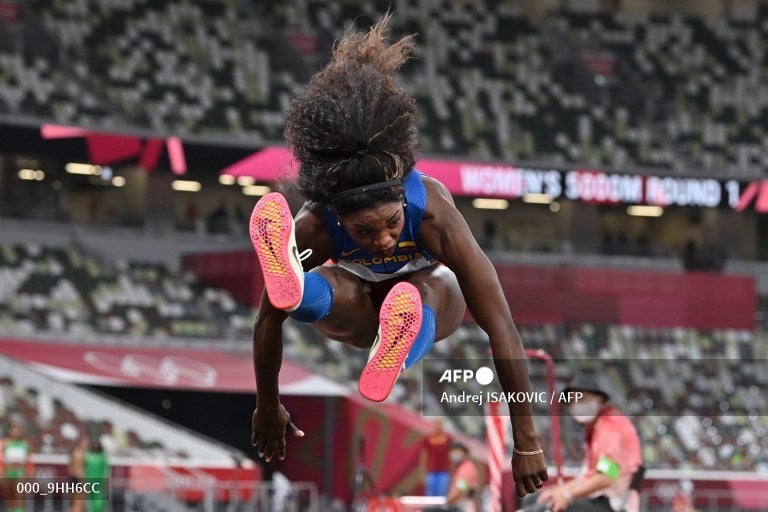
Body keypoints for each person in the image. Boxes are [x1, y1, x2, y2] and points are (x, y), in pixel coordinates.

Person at [248, 13, 547, 497]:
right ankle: (308, 290)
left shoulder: (434, 214)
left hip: (422, 299)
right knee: (317, 291)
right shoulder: (317, 222)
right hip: (358, 306)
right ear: (340, 218)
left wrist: (527, 440)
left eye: (390, 223)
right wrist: (266, 402)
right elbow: (267, 317)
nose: (384, 239)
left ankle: (381, 321)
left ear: (404, 202)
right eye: (365, 230)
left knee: (431, 286)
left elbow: (501, 327)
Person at [534, 374, 642, 512]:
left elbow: (607, 476)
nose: (576, 404)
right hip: (601, 498)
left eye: (582, 399)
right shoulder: (596, 429)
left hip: (613, 503)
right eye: (572, 400)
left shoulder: (610, 427)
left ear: (600, 400)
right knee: (539, 501)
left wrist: (567, 496)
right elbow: (589, 475)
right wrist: (559, 491)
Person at [0, 422, 34, 512]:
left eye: (18, 430)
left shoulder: (26, 443)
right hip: (9, 471)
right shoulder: (5, 443)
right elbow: (2, 459)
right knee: (9, 497)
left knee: (19, 496)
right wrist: (2, 473)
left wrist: (30, 473)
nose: (16, 432)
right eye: (14, 430)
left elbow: (29, 460)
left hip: (20, 471)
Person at [420, 418, 452, 497]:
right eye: (436, 424)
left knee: (442, 493)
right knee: (430, 493)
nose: (438, 427)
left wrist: (451, 472)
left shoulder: (448, 438)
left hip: (444, 471)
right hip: (431, 470)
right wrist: (422, 473)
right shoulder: (428, 438)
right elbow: (424, 456)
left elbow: (450, 455)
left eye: (440, 424)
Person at [445, 442, 480, 512]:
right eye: (452, 451)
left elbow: (461, 489)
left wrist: (446, 502)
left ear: (464, 453)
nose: (453, 454)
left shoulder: (466, 469)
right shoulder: (461, 468)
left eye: (456, 451)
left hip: (463, 506)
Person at [84, 438, 109, 512]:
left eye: (97, 444)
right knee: (90, 498)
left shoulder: (102, 456)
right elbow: (85, 468)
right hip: (90, 480)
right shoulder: (89, 455)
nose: (95, 446)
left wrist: (106, 479)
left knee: (99, 499)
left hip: (99, 480)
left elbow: (106, 469)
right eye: (94, 444)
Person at [67, 435, 89, 512]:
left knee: (76, 504)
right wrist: (82, 482)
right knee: (78, 504)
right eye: (85, 442)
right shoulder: (78, 453)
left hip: (75, 479)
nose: (86, 444)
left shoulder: (77, 452)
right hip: (78, 479)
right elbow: (76, 469)